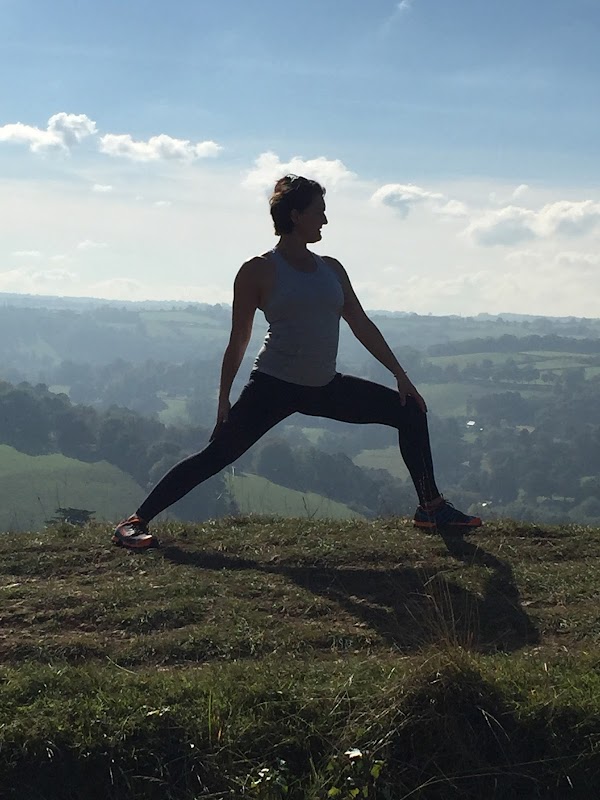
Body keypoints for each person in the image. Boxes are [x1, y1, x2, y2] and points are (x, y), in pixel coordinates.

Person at [113, 175, 482, 549]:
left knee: (410, 410)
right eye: (319, 212)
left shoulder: (332, 269)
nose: (325, 221)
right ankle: (135, 521)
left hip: (324, 386)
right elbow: (239, 339)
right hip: (274, 385)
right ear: (295, 215)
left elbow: (360, 322)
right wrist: (223, 399)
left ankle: (431, 507)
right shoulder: (257, 270)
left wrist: (400, 376)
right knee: (216, 456)